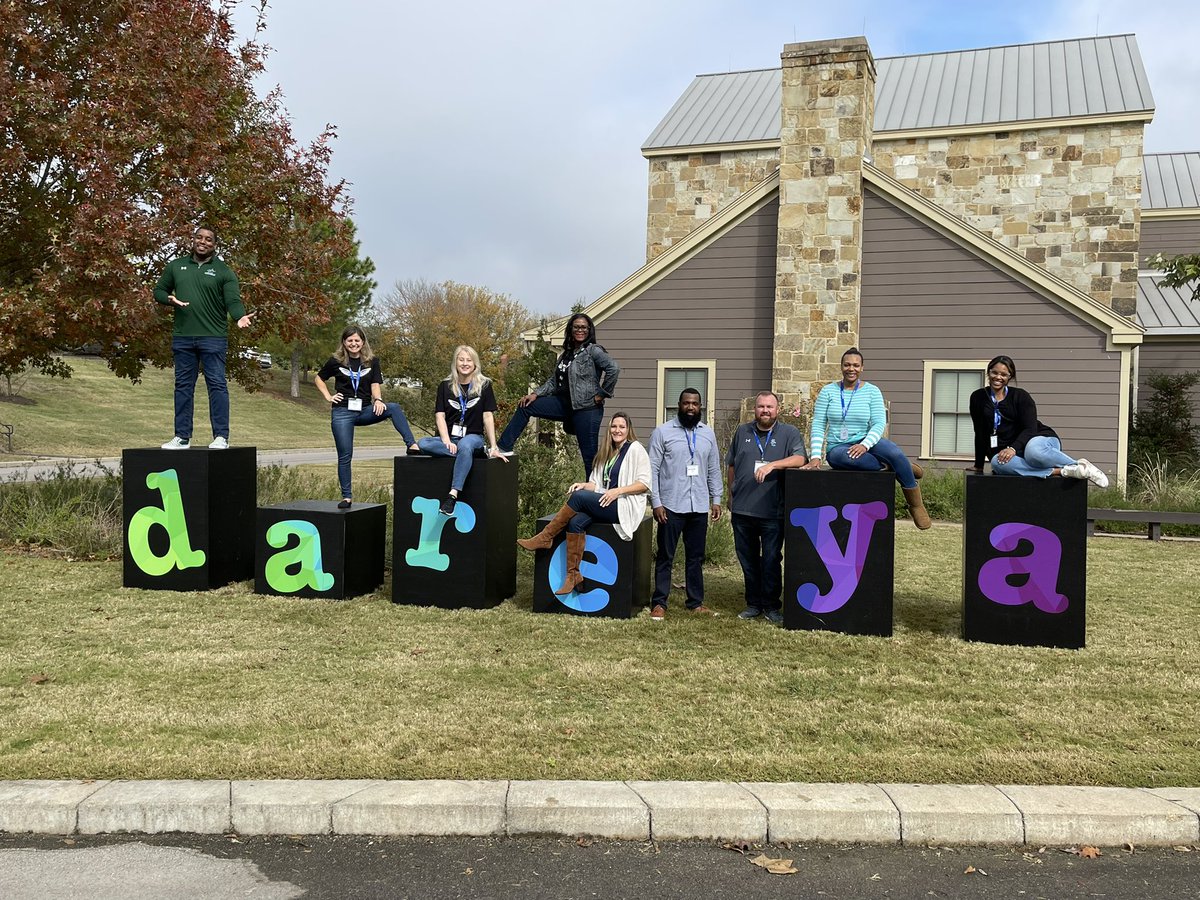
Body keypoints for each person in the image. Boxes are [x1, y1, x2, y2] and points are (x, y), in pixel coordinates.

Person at [516, 412, 651, 594]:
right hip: (605, 501)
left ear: (628, 430)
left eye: (622, 427)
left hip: (623, 504)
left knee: (579, 498)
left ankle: (546, 537)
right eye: (614, 426)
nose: (617, 430)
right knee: (575, 521)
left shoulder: (635, 449)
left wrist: (617, 491)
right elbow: (597, 485)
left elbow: (644, 484)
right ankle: (573, 576)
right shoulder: (606, 452)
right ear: (609, 429)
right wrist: (584, 484)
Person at [802, 347, 932, 530]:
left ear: (862, 368)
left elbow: (879, 423)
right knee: (844, 458)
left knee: (894, 451)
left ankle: (916, 505)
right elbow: (818, 425)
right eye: (847, 365)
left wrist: (864, 445)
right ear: (841, 367)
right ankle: (899, 465)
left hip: (867, 441)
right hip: (839, 446)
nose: (851, 369)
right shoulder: (828, 391)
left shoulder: (872, 391)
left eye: (856, 365)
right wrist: (815, 456)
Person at [154, 225, 252, 449]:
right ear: (193, 240)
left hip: (213, 338)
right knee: (183, 387)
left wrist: (239, 317)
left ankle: (221, 437)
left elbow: (233, 301)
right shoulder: (176, 266)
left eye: (208, 239)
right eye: (199, 238)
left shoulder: (223, 271)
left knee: (216, 385)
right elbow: (158, 291)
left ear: (214, 245)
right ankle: (181, 437)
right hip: (183, 337)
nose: (203, 242)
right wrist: (170, 299)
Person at [496, 313, 619, 476]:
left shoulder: (593, 351)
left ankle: (596, 492)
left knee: (589, 458)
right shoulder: (565, 355)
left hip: (587, 409)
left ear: (589, 330)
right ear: (570, 329)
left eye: (584, 327)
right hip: (564, 404)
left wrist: (602, 394)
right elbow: (554, 381)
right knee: (527, 406)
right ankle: (503, 447)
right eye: (576, 327)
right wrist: (536, 394)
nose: (580, 330)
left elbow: (613, 369)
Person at [315, 326, 421, 509]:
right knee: (345, 455)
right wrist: (328, 396)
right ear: (344, 343)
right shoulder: (335, 361)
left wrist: (378, 400)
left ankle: (412, 445)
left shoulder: (372, 361)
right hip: (342, 412)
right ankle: (347, 497)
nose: (353, 343)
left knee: (393, 408)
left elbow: (375, 384)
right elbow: (319, 378)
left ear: (363, 342)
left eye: (357, 340)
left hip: (364, 410)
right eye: (350, 340)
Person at [727, 391, 808, 624]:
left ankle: (772, 606)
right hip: (743, 511)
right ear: (755, 409)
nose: (765, 410)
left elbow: (799, 459)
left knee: (771, 560)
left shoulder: (789, 433)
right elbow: (731, 464)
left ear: (777, 410)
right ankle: (753, 604)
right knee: (748, 560)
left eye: (769, 407)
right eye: (761, 406)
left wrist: (773, 465)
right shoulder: (743, 431)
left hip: (772, 511)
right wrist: (731, 493)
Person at [968, 355, 1109, 486]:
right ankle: (1065, 471)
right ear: (989, 372)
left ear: (1010, 377)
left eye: (1003, 374)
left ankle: (1081, 466)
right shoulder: (978, 397)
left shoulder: (1021, 396)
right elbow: (979, 431)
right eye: (994, 372)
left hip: (1039, 439)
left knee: (1033, 453)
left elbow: (1030, 429)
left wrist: (1012, 448)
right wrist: (979, 465)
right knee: (997, 463)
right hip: (1014, 452)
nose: (998, 377)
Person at [647, 388, 723, 620]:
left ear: (701, 406)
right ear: (678, 405)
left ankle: (695, 602)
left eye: (695, 404)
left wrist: (716, 499)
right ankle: (659, 602)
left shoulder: (708, 434)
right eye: (686, 403)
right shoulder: (662, 432)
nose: (691, 407)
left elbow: (713, 468)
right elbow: (652, 469)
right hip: (670, 506)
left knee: (695, 558)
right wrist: (656, 502)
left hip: (698, 505)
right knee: (665, 556)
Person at [417, 345, 508, 516]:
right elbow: (440, 416)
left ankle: (452, 495)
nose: (465, 363)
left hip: (473, 437)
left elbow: (488, 417)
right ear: (455, 362)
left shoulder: (485, 385)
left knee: (466, 445)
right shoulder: (445, 386)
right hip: (451, 439)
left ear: (475, 364)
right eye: (461, 359)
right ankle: (467, 455)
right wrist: (446, 441)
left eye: (469, 360)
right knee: (423, 443)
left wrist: (494, 446)